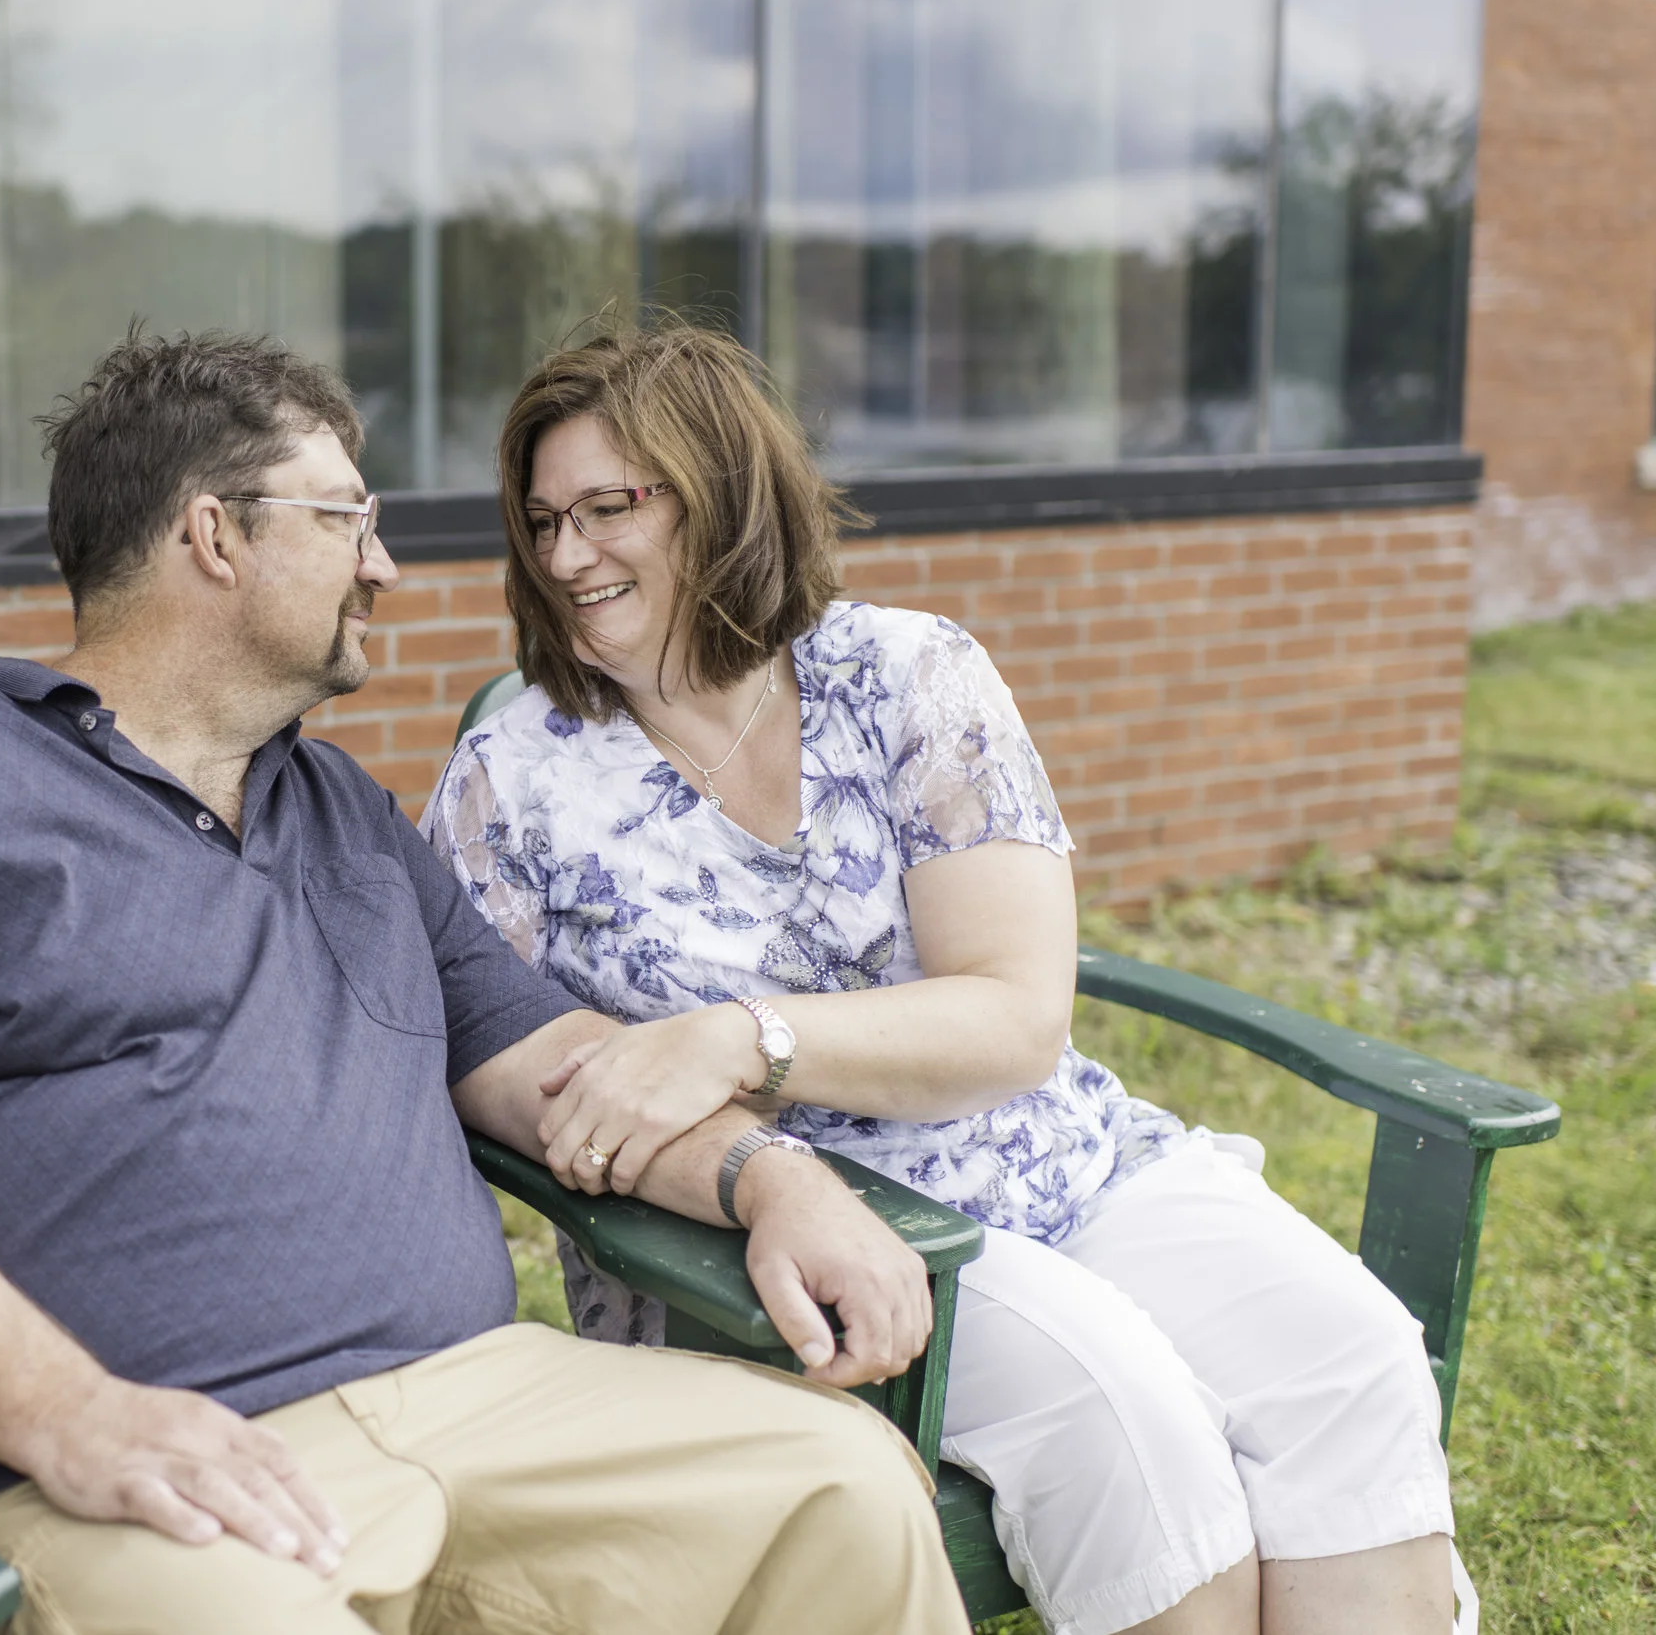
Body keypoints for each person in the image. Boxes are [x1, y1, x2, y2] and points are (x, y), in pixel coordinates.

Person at [0, 329, 971, 1635]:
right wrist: (76, 1416)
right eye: (347, 520)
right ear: (214, 536)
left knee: (844, 1488)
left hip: (484, 1402)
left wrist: (772, 1178)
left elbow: (562, 1068)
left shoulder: (342, 814)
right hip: (111, 1467)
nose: (383, 565)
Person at [422, 323, 1471, 1635]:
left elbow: (1016, 1017)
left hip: (1057, 1162)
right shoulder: (512, 783)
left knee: (1350, 1357)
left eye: (607, 508)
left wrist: (742, 1038)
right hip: (794, 1243)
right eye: (542, 522)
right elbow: (494, 1058)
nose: (567, 556)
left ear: (722, 492)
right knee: (1131, 1424)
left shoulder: (909, 677)